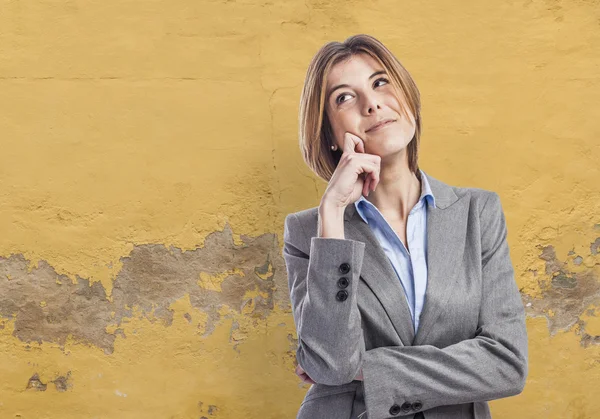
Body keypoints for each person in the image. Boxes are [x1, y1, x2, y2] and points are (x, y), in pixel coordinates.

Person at [281, 34, 528, 419]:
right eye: (344, 98)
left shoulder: (478, 213)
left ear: (408, 97)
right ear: (328, 133)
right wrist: (331, 212)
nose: (372, 103)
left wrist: (372, 370)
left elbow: (507, 363)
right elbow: (331, 364)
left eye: (381, 82)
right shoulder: (306, 233)